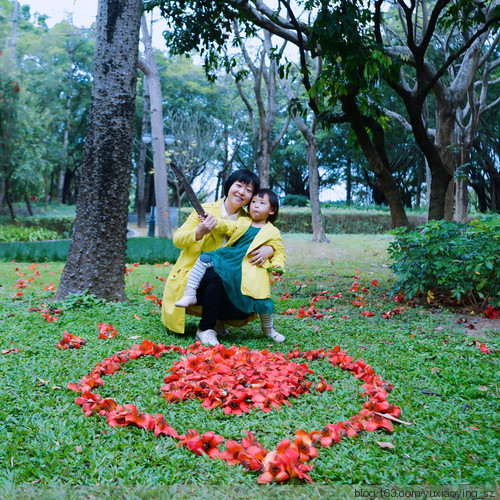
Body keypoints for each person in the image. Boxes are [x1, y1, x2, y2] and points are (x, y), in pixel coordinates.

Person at [161, 170, 274, 344]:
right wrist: (199, 232)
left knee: (243, 301)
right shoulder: (205, 210)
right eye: (238, 185)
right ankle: (205, 328)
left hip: (230, 279)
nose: (242, 192)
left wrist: (269, 248)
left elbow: (267, 234)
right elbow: (178, 239)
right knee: (219, 272)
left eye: (248, 190)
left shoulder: (248, 219)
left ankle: (218, 320)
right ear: (229, 186)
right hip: (195, 277)